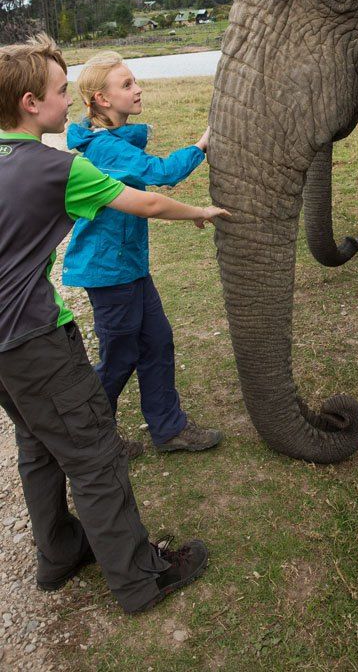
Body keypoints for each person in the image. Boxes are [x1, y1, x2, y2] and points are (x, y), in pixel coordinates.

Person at [0, 34, 228, 613]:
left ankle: (58, 554)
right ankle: (139, 577)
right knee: (94, 452)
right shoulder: (58, 166)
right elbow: (148, 199)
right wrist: (200, 210)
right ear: (30, 103)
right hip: (31, 337)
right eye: (58, 91)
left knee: (38, 442)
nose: (66, 101)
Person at [62, 50, 221, 456]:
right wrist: (202, 144)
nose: (138, 89)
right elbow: (161, 174)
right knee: (119, 358)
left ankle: (168, 429)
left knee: (157, 342)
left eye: (135, 81)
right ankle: (90, 438)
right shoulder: (106, 148)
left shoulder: (113, 141)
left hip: (128, 266)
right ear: (101, 99)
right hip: (107, 273)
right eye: (127, 85)